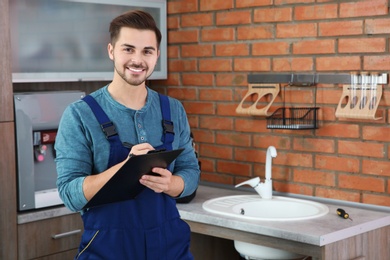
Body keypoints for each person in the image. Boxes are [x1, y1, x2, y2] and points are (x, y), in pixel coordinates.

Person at [55, 10, 200, 259]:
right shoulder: (79, 114)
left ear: (157, 56)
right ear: (111, 51)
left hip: (169, 247)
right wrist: (125, 168)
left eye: (147, 51)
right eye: (128, 49)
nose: (138, 60)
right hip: (109, 249)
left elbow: (190, 171)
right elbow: (70, 193)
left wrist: (172, 184)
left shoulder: (173, 109)